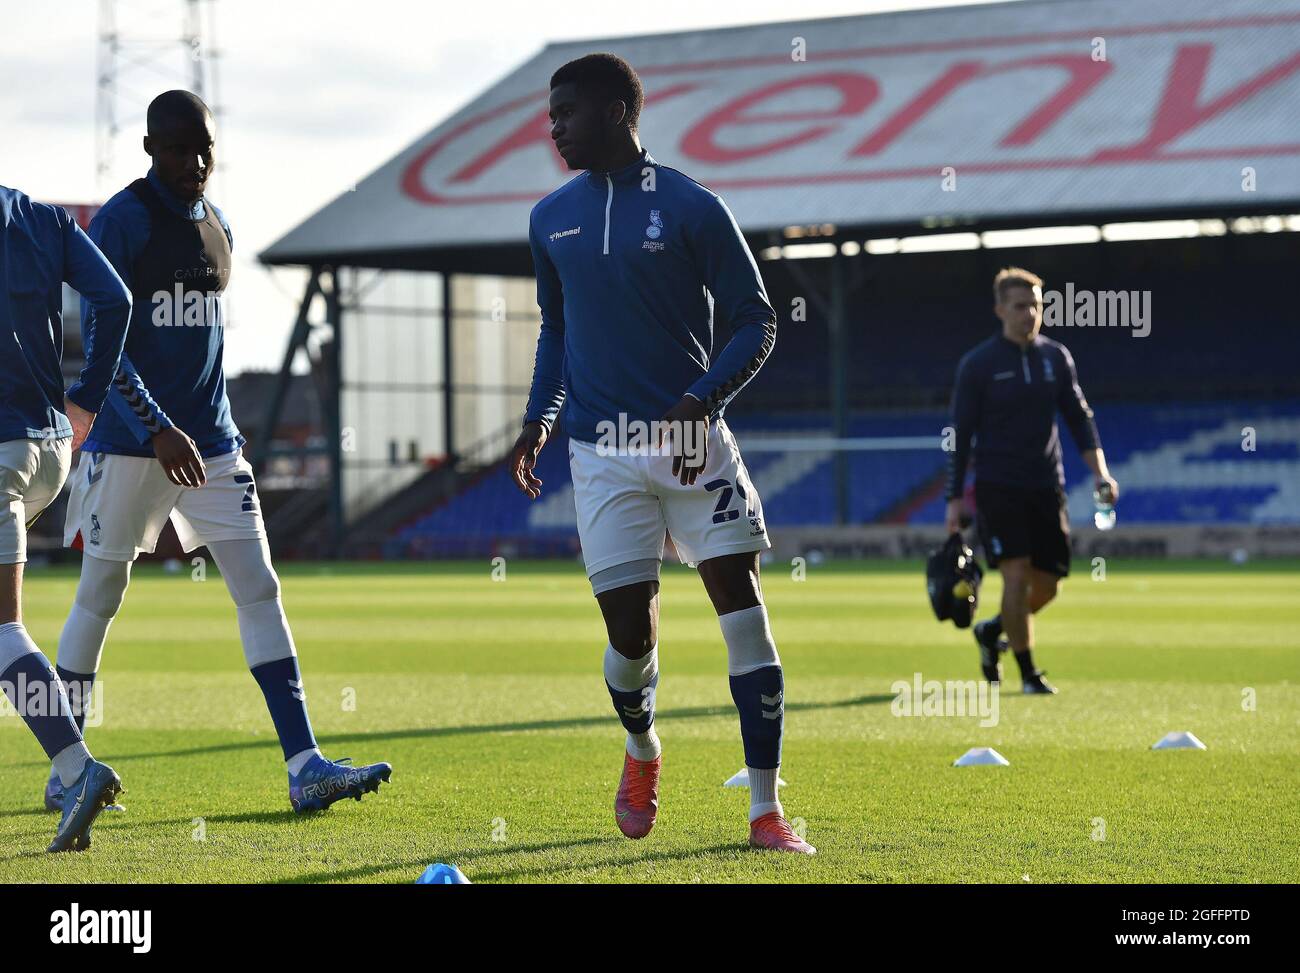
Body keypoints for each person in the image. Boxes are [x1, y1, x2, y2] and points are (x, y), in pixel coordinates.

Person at [51, 90, 391, 814]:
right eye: (179, 148)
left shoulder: (219, 224)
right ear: (149, 149)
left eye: (204, 148)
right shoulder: (120, 222)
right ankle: (65, 766)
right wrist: (155, 426)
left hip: (211, 446)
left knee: (259, 586)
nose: (195, 162)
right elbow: (100, 346)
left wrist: (197, 428)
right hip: (133, 445)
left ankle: (305, 766)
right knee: (100, 594)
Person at [510, 54, 812, 854]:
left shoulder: (692, 206)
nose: (554, 127)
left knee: (745, 620)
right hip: (600, 456)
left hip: (692, 446)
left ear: (615, 112)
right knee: (630, 642)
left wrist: (699, 401)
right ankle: (642, 747)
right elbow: (558, 331)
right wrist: (539, 418)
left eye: (566, 112)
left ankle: (766, 811)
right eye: (550, 114)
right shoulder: (549, 219)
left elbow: (757, 320)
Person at [1, 182, 132, 850]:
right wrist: (86, 399)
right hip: (50, 446)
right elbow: (115, 298)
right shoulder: (44, 219)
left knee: (1, 629)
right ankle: (74, 774)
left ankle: (78, 769)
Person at [945, 267, 1119, 694]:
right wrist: (954, 498)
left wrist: (1101, 473)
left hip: (1046, 486)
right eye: (1021, 306)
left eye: (1037, 305)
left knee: (1048, 586)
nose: (1031, 314)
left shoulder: (1055, 358)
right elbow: (960, 436)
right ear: (1000, 309)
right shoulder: (979, 365)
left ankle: (992, 631)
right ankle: (1028, 674)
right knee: (1016, 576)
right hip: (997, 488)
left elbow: (1080, 419)